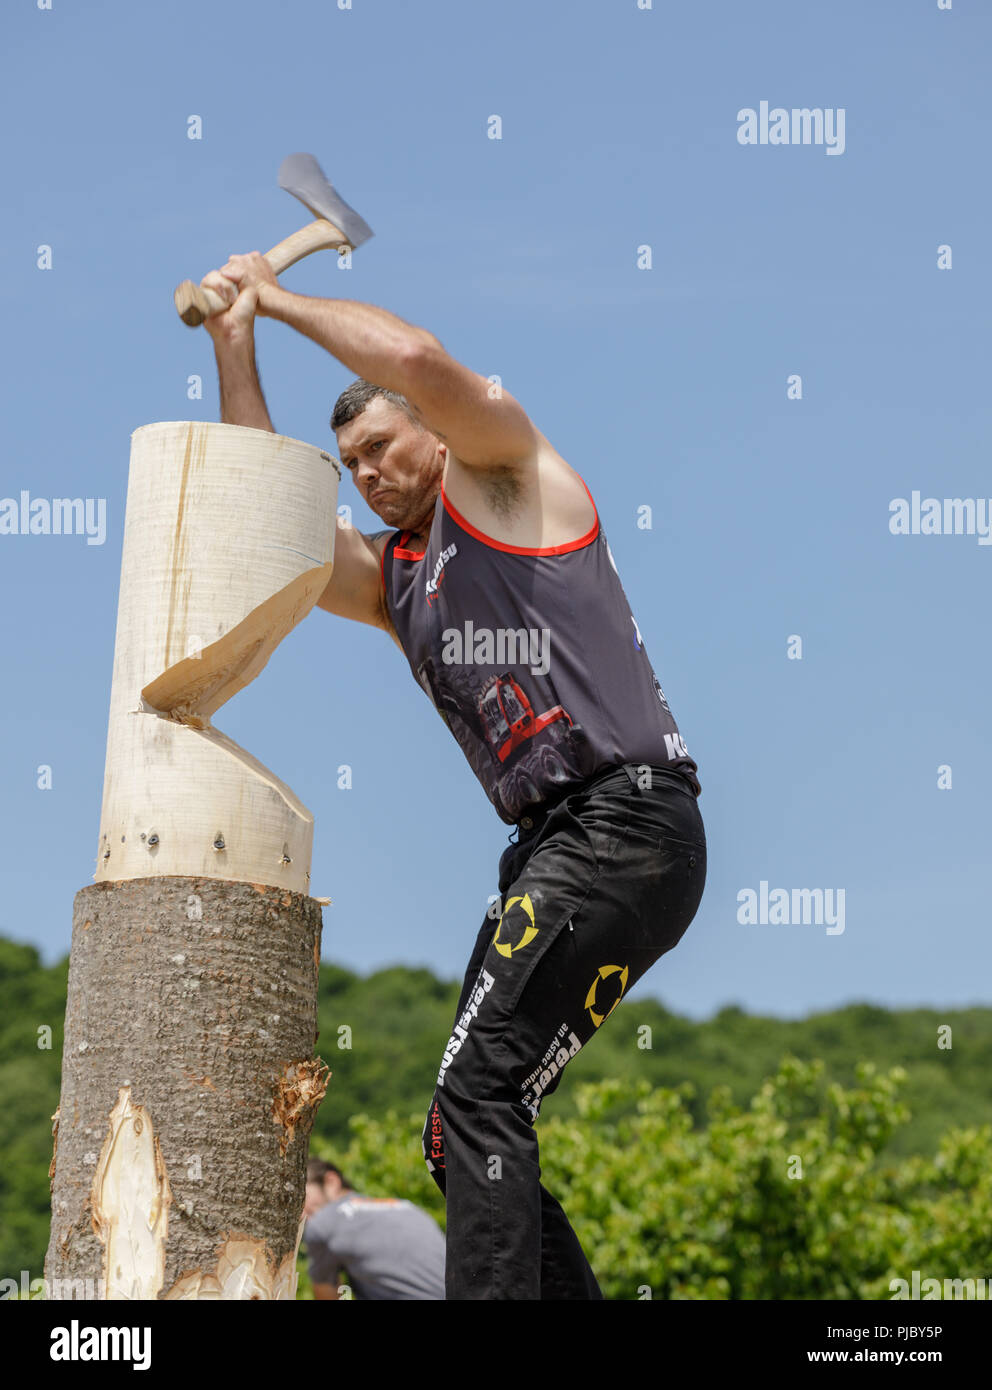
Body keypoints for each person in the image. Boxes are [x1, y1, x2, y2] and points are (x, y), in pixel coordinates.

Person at [203, 254, 708, 1300]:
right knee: (459, 1126)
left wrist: (282, 295)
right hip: (551, 851)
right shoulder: (397, 580)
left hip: (621, 823)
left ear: (435, 433)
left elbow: (421, 359)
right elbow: (276, 516)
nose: (368, 475)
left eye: (382, 447)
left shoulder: (512, 483)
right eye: (352, 465)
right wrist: (236, 338)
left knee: (479, 1090)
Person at [303, 1158, 445, 1300]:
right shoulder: (406, 1207)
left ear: (331, 1182)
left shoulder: (323, 1221)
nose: (300, 1214)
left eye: (301, 1197)